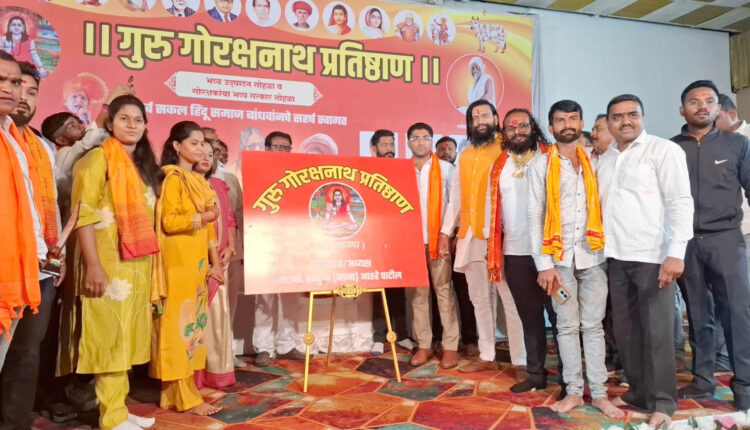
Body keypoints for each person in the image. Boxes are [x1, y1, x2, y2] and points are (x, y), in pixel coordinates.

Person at [63, 94, 162, 430]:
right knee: (108, 337)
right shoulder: (96, 160)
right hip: (106, 263)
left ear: (146, 126)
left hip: (137, 266)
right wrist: (92, 265)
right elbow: (83, 215)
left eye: (138, 119)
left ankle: (119, 407)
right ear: (109, 123)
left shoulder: (144, 168)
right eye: (124, 118)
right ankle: (112, 417)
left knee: (127, 338)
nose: (132, 125)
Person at [597, 94, 693, 428]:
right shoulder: (606, 159)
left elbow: (680, 201)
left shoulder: (663, 150)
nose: (625, 121)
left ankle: (664, 401)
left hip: (653, 257)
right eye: (617, 116)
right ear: (609, 122)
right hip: (616, 258)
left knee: (658, 333)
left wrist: (676, 253)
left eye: (632, 114)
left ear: (643, 117)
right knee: (627, 333)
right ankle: (639, 392)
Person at [527, 100, 622, 418]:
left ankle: (600, 394)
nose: (567, 124)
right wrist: (544, 265)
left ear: (581, 123)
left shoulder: (596, 160)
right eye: (560, 120)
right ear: (551, 127)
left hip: (594, 257)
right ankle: (573, 392)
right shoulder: (540, 165)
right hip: (559, 261)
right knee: (566, 327)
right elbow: (534, 215)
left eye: (572, 118)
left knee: (593, 327)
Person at [671, 80, 750, 412]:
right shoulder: (671, 149)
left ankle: (744, 385)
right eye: (694, 101)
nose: (702, 105)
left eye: (709, 100)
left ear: (718, 108)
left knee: (737, 314)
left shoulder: (738, 144)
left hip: (727, 240)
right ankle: (703, 380)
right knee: (698, 314)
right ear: (682, 110)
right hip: (686, 243)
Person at [0, 61, 62, 429]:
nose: (16, 92)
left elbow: (42, 208)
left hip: (38, 265)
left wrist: (54, 254)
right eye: (6, 81)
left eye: (24, 86)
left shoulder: (29, 145)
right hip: (7, 268)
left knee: (25, 356)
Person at [150, 121, 224, 416]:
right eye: (194, 143)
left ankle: (175, 393)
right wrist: (201, 218)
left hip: (195, 263)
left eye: (202, 143)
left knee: (193, 328)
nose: (201, 148)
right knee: (178, 327)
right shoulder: (173, 179)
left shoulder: (199, 181)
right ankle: (185, 397)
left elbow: (210, 230)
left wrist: (214, 264)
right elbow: (169, 222)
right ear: (176, 146)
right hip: (177, 261)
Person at [483, 107, 548, 385]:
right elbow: (492, 209)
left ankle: (570, 380)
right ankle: (535, 375)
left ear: (533, 127)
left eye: (522, 126)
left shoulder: (550, 157)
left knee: (561, 318)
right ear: (504, 132)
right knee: (529, 318)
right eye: (511, 127)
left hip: (550, 253)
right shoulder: (500, 165)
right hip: (515, 253)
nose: (517, 131)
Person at [438, 99, 504, 372]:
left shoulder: (508, 149)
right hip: (471, 236)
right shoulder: (464, 156)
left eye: (485, 116)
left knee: (509, 299)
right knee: (479, 298)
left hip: (502, 236)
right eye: (474, 118)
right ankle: (487, 355)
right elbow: (456, 199)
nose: (480, 122)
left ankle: (522, 360)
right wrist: (446, 232)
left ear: (496, 118)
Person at [406, 122, 460, 369]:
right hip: (410, 240)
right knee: (418, 295)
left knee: (444, 292)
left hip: (439, 240)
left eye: (425, 137)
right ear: (409, 143)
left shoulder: (446, 169)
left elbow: (454, 204)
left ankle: (450, 347)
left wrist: (446, 234)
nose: (420, 142)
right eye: (415, 138)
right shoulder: (401, 170)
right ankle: (424, 344)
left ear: (431, 141)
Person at [253, 131, 306, 366]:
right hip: (264, 243)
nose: (283, 152)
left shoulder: (299, 176)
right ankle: (263, 348)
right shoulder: (256, 173)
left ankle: (287, 344)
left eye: (287, 148)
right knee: (264, 299)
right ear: (267, 149)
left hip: (292, 243)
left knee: (291, 296)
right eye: (278, 147)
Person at [0, 52, 37, 371]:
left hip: (13, 271)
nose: (8, 88)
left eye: (14, 82)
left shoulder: (14, 138)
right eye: (0, 80)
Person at [193, 140, 237, 389]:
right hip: (194, 261)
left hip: (220, 261)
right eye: (201, 152)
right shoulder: (182, 183)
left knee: (218, 317)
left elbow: (229, 219)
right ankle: (193, 375)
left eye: (211, 155)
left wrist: (230, 247)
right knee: (195, 317)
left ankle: (217, 372)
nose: (207, 158)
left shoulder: (219, 186)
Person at [368, 129, 414, 355]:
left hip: (398, 238)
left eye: (392, 144)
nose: (390, 149)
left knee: (399, 288)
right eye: (384, 145)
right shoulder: (366, 171)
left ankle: (402, 334)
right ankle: (379, 337)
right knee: (380, 290)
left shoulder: (402, 170)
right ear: (373, 149)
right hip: (375, 238)